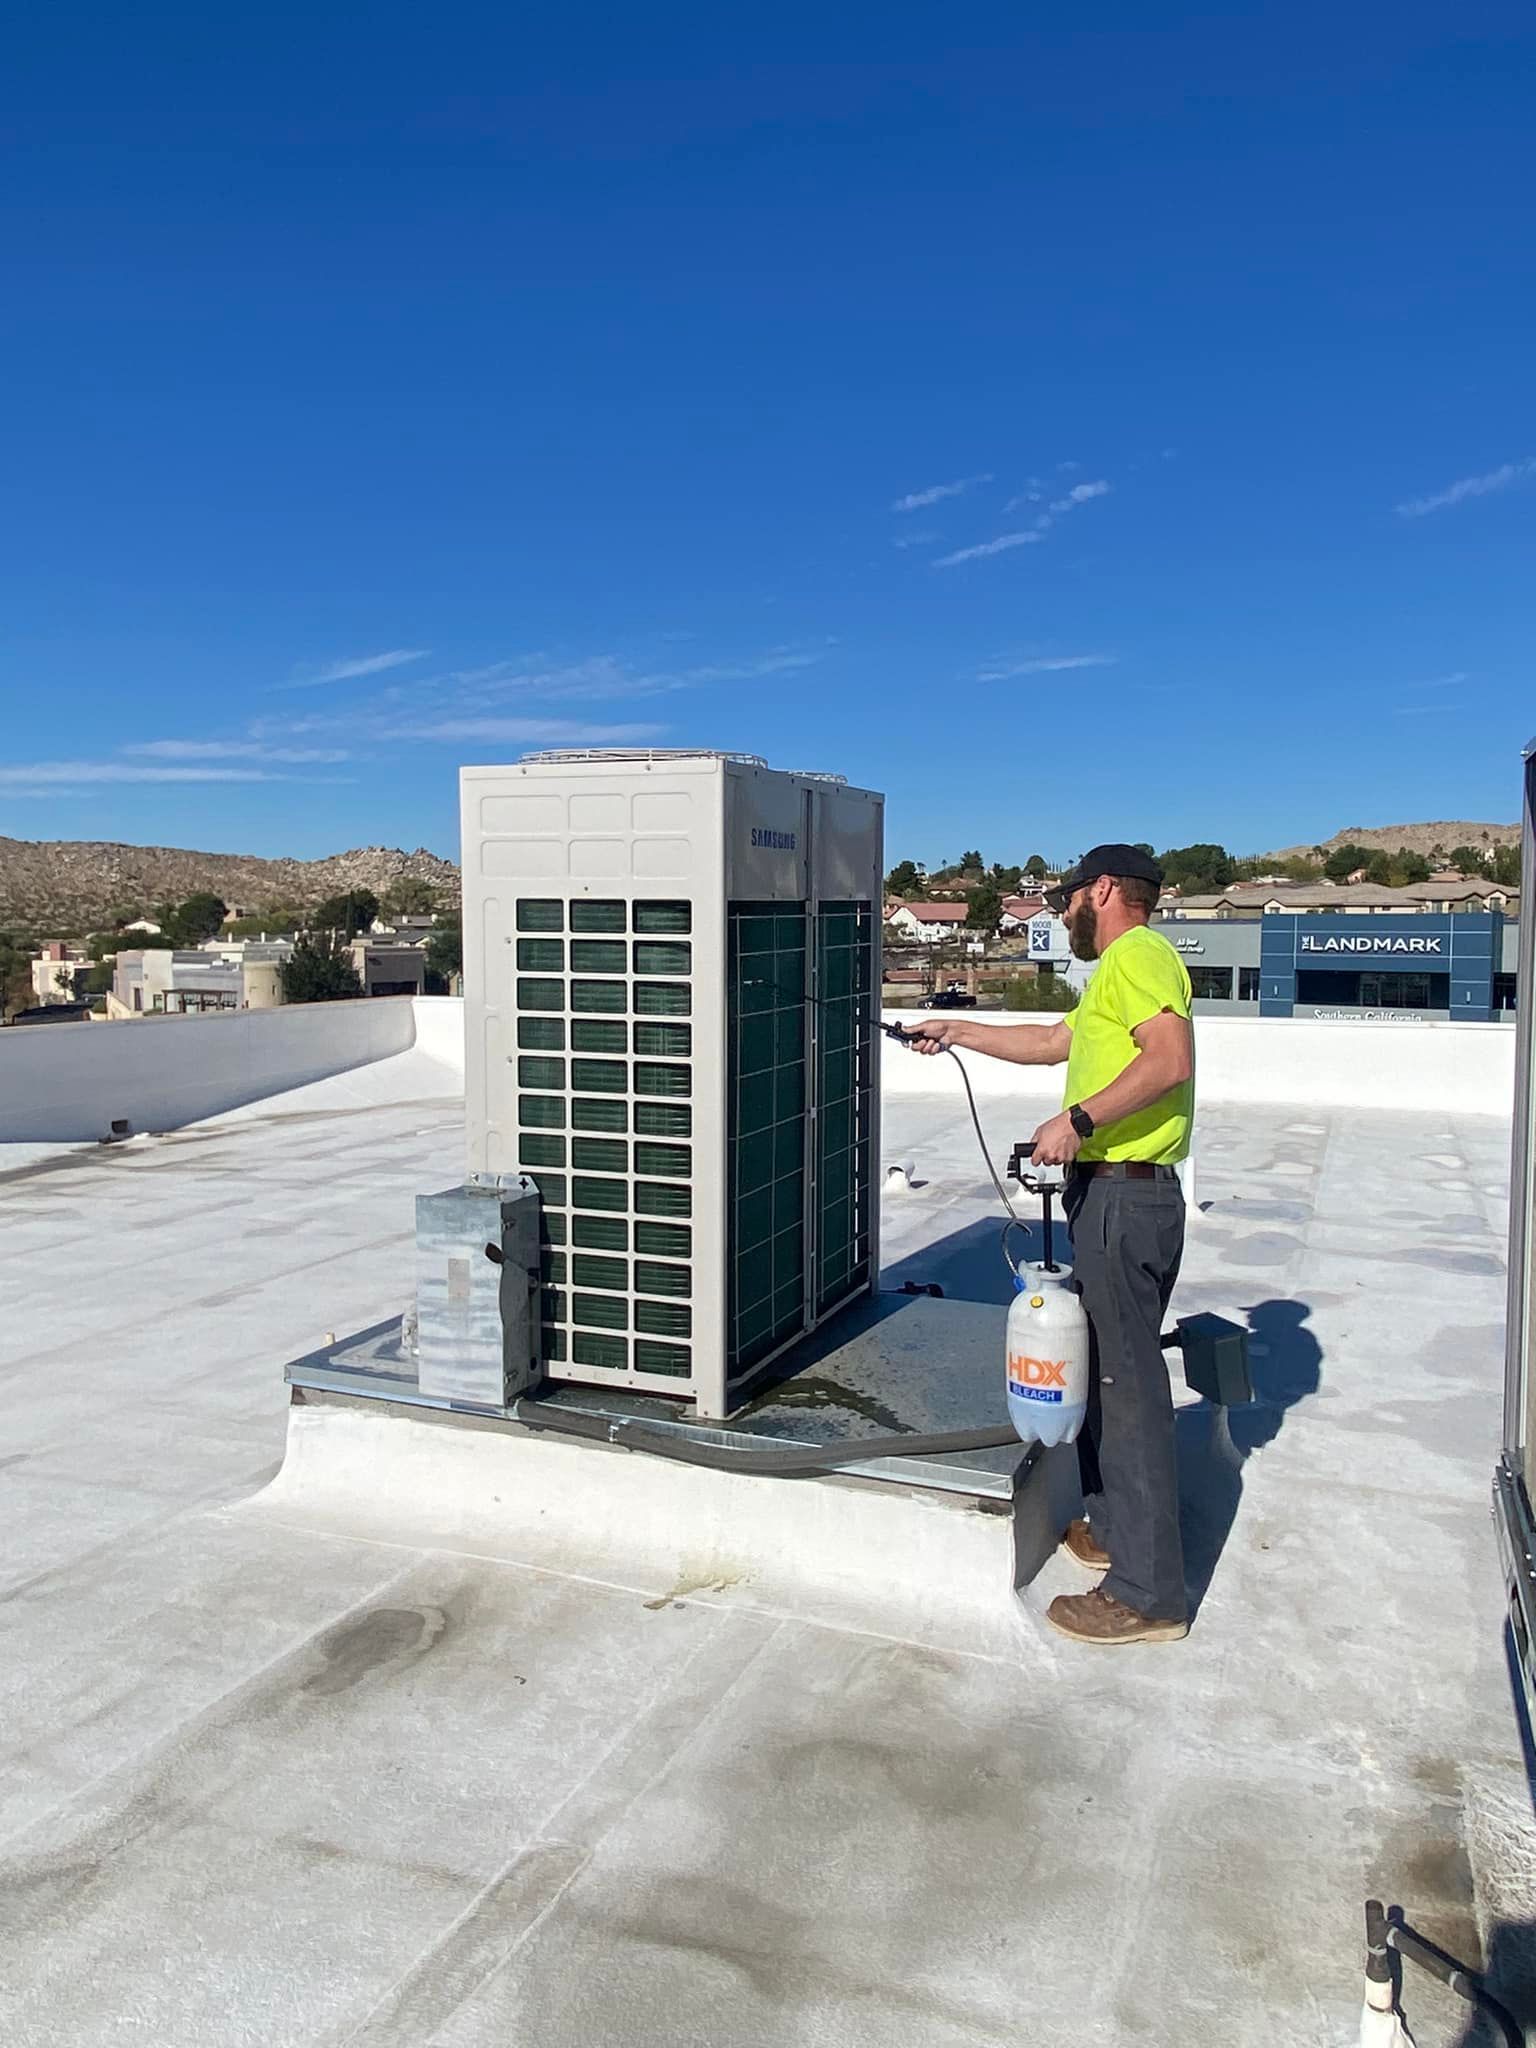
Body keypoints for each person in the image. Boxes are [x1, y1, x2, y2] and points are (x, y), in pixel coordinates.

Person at [908, 844, 1194, 1645]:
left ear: (1101, 890)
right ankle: (1113, 1530)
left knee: (1128, 1390)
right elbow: (1052, 1043)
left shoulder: (1138, 954)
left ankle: (1148, 1593)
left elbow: (1169, 1061)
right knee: (1106, 1374)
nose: (1061, 910)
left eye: (1066, 897)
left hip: (1125, 1194)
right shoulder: (1120, 970)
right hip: (1116, 1194)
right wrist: (956, 1028)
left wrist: (1076, 1121)